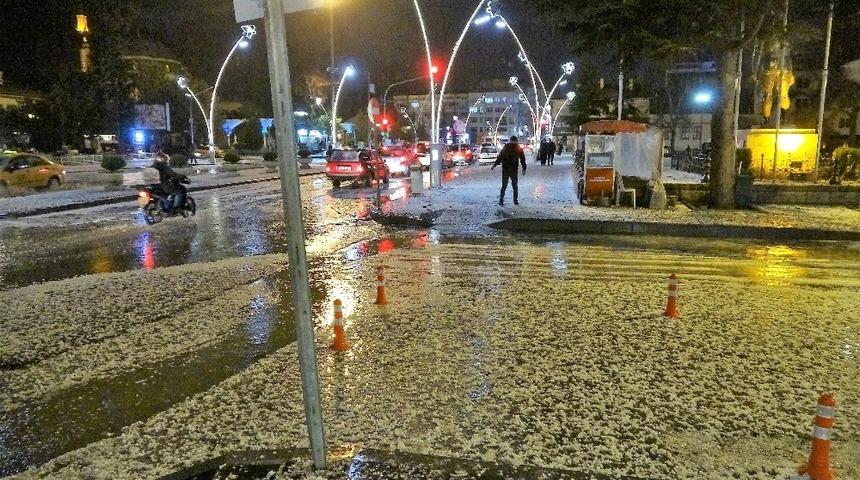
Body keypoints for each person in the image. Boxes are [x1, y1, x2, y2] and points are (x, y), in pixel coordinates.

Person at [491, 136, 527, 206]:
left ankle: (501, 200)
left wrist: (494, 165)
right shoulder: (518, 147)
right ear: (516, 140)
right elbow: (522, 159)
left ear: (510, 140)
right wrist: (524, 168)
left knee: (504, 185)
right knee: (515, 186)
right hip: (513, 169)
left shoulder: (506, 147)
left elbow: (500, 157)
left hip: (505, 168)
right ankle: (515, 201)